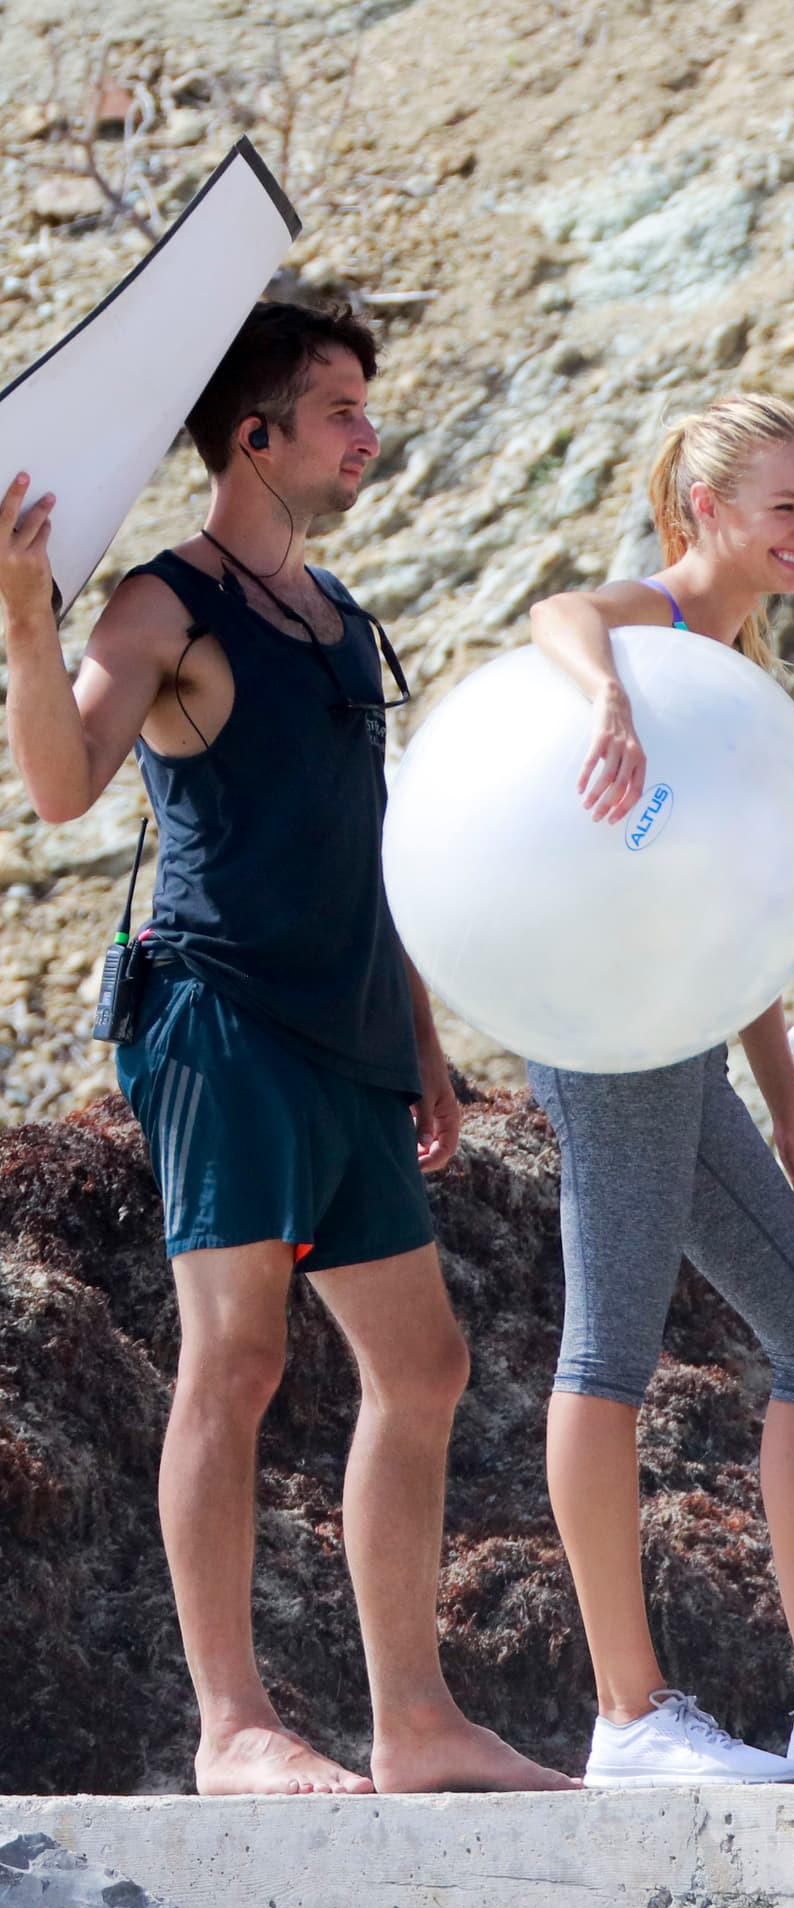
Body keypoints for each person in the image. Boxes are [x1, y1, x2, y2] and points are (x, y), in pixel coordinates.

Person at [0, 300, 574, 1798]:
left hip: (352, 1033)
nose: (366, 435)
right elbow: (64, 785)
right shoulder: (164, 608)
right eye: (338, 411)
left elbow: (374, 849)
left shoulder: (338, 615)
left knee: (426, 1363)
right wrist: (20, 615)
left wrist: (424, 1041)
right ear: (252, 435)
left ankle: (413, 1723)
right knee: (238, 1357)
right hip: (220, 1019)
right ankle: (231, 1725)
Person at [526, 392, 794, 1788]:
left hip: (684, 1032)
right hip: (601, 1016)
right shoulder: (664, 626)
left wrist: (793, 1124)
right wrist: (614, 688)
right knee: (606, 1346)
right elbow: (561, 608)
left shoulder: (745, 664)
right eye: (789, 509)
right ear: (710, 517)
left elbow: (739, 917)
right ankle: (629, 1717)